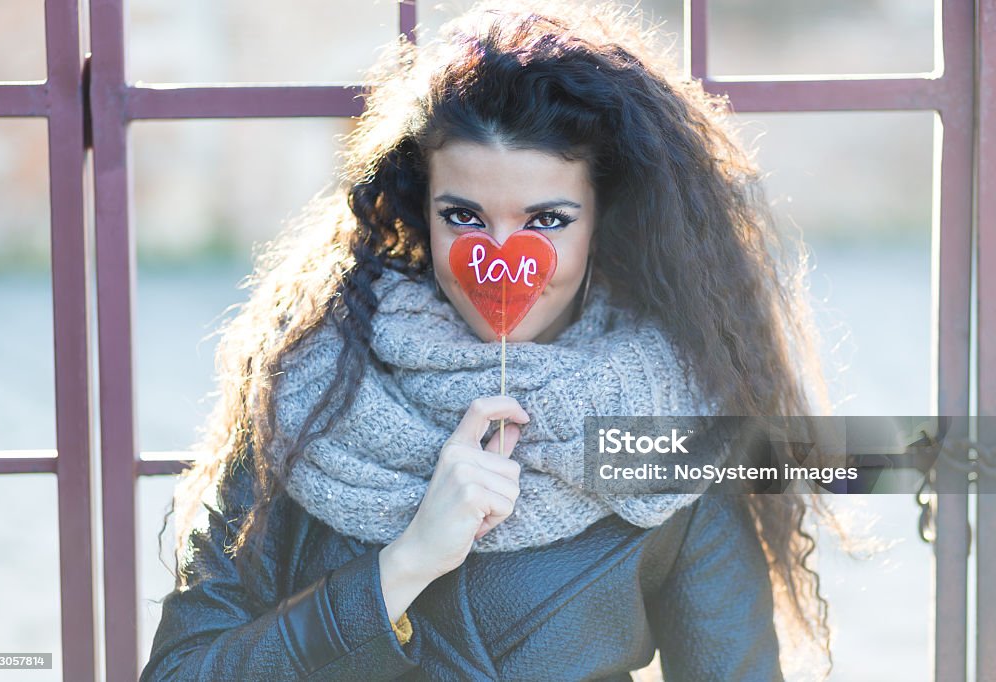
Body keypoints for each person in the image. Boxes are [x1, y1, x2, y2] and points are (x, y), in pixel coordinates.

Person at [141, 1, 847, 679]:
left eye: (547, 222)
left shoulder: (667, 424)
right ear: (420, 212)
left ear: (606, 221)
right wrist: (405, 563)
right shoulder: (313, 391)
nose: (501, 258)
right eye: (463, 215)